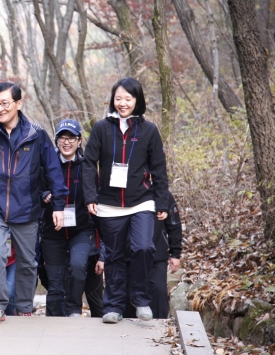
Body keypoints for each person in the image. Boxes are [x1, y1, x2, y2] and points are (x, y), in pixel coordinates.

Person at [0, 82, 69, 325]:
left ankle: (24, 308)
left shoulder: (37, 134)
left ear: (18, 103)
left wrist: (58, 206)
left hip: (27, 207)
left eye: (5, 103)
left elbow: (54, 171)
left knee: (27, 260)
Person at [82, 77, 169, 324]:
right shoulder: (101, 128)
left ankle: (141, 300)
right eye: (118, 98)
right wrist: (90, 196)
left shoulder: (149, 130)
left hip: (141, 201)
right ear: (113, 100)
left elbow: (159, 169)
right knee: (114, 256)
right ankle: (113, 306)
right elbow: (89, 163)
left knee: (143, 247)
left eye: (128, 99)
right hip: (109, 204)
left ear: (137, 101)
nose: (122, 103)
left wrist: (161, 202)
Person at [40, 119, 105, 317]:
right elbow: (33, 190)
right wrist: (44, 196)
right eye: (62, 138)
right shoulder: (46, 164)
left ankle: (73, 310)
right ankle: (53, 323)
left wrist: (103, 247)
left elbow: (98, 200)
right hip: (53, 231)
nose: (66, 142)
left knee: (78, 266)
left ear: (79, 141)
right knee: (55, 282)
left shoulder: (88, 166)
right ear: (56, 140)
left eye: (71, 138)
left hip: (81, 229)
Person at [123, 191, 181, 319]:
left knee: (159, 292)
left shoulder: (163, 195)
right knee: (128, 297)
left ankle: (160, 329)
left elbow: (174, 224)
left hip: (157, 256)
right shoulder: (124, 193)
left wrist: (175, 253)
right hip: (129, 256)